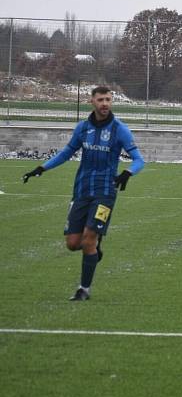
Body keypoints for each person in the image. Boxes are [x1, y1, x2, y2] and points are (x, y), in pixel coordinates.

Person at [22, 85, 145, 301]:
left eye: (108, 99)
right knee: (72, 244)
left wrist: (127, 173)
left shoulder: (120, 129)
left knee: (88, 239)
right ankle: (95, 248)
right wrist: (42, 168)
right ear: (92, 102)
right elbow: (67, 152)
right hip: (81, 190)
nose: (105, 104)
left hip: (105, 192)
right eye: (100, 100)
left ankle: (84, 290)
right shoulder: (83, 128)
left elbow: (139, 160)